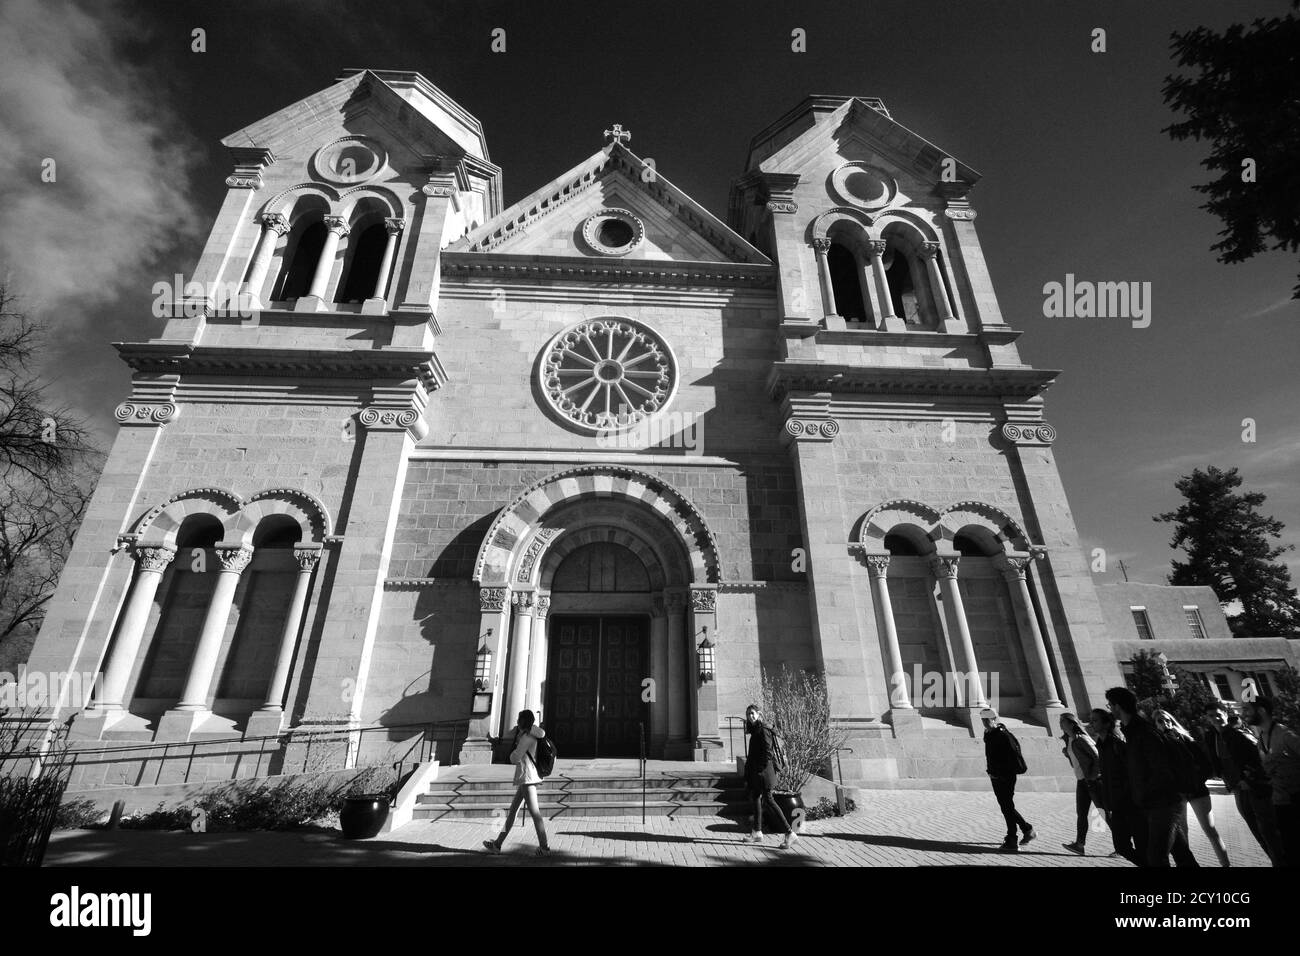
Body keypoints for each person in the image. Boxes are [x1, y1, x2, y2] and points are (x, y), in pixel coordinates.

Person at [1105, 687, 1198, 867]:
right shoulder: (1132, 731)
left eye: (1110, 705)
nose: (1110, 709)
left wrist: (1146, 795)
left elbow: (1160, 769)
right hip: (1157, 802)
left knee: (1156, 856)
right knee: (1181, 854)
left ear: (1117, 706)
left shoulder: (1143, 732)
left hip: (1162, 802)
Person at [1152, 708, 1229, 866]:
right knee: (1182, 833)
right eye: (1160, 720)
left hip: (1197, 791)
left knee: (1210, 830)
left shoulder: (1186, 739)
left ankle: (1226, 864)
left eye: (1167, 719)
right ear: (1155, 724)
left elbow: (1205, 764)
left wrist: (1197, 780)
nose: (1165, 722)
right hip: (1178, 794)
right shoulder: (1157, 743)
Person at [1209, 703, 1283, 865]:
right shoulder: (1213, 737)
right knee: (1257, 830)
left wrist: (1249, 779)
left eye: (1218, 714)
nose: (1215, 718)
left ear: (1225, 714)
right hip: (1238, 789)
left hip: (1254, 789)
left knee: (1269, 831)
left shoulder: (1238, 734)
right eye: (1211, 716)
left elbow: (1260, 759)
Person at [482, 710, 550, 857]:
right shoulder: (534, 734)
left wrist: (516, 746)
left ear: (523, 722)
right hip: (526, 778)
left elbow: (514, 758)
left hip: (527, 778)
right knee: (512, 812)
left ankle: (544, 847)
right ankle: (497, 844)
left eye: (519, 719)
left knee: (535, 814)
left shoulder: (526, 738)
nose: (517, 722)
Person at [1243, 696, 1300, 867]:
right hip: (1280, 804)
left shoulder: (1285, 735)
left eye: (1247, 709)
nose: (1243, 713)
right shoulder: (1261, 739)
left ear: (1261, 710)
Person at [1088, 708, 1145, 865]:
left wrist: (1128, 796)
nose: (1091, 723)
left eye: (1095, 720)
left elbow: (1131, 774)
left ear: (1106, 723)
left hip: (1130, 804)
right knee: (1122, 846)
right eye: (1090, 720)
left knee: (1142, 845)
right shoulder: (1100, 744)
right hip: (1115, 805)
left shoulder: (1117, 744)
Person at [742, 704, 798, 849]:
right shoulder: (755, 730)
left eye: (753, 713)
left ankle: (789, 832)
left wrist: (759, 771)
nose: (750, 716)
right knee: (755, 797)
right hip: (759, 773)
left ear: (759, 714)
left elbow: (768, 753)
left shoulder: (764, 730)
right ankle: (757, 832)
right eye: (748, 714)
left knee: (769, 800)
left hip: (764, 773)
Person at [981, 707, 1035, 852]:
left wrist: (1000, 772)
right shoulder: (989, 733)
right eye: (983, 720)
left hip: (1005, 776)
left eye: (987, 720)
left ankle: (1012, 839)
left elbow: (1012, 756)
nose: (985, 723)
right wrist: (992, 772)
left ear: (994, 719)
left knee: (1007, 807)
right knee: (1006, 807)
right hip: (995, 775)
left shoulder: (1002, 735)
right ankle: (1027, 830)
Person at [1059, 712, 1100, 855]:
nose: (1060, 723)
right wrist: (1067, 754)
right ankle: (1079, 844)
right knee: (1081, 813)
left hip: (1092, 781)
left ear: (1071, 723)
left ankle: (1122, 845)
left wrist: (1093, 776)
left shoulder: (1081, 738)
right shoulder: (1069, 740)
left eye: (1063, 721)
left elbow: (1097, 757)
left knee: (1105, 812)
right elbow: (1077, 762)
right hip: (1081, 781)